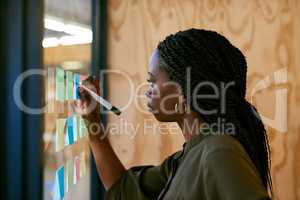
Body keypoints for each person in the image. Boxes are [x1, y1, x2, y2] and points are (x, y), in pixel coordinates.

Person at [75, 28, 272, 199]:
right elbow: (122, 190)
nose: (147, 90)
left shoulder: (218, 150)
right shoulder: (189, 155)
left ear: (182, 91)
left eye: (152, 81)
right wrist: (91, 120)